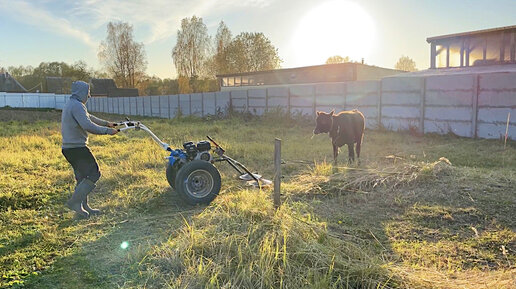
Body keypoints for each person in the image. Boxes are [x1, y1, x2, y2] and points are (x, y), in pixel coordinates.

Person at [61, 81, 118, 219]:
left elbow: (88, 117)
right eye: (88, 93)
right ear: (81, 93)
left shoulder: (73, 104)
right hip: (77, 149)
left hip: (69, 148)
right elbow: (87, 124)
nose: (89, 96)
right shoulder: (77, 105)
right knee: (94, 173)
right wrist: (107, 131)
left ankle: (83, 207)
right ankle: (75, 202)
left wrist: (106, 123)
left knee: (82, 177)